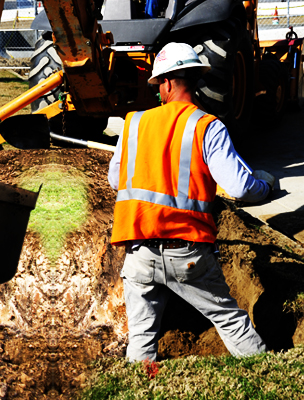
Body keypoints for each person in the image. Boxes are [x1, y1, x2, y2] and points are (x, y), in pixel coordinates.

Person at [108, 42, 276, 362]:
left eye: (159, 85)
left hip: (139, 250)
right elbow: (240, 187)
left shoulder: (134, 124)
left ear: (166, 83)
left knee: (142, 336)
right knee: (228, 320)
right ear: (196, 80)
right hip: (186, 251)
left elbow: (115, 181)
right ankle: (264, 374)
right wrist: (265, 188)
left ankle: (140, 387)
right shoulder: (207, 126)